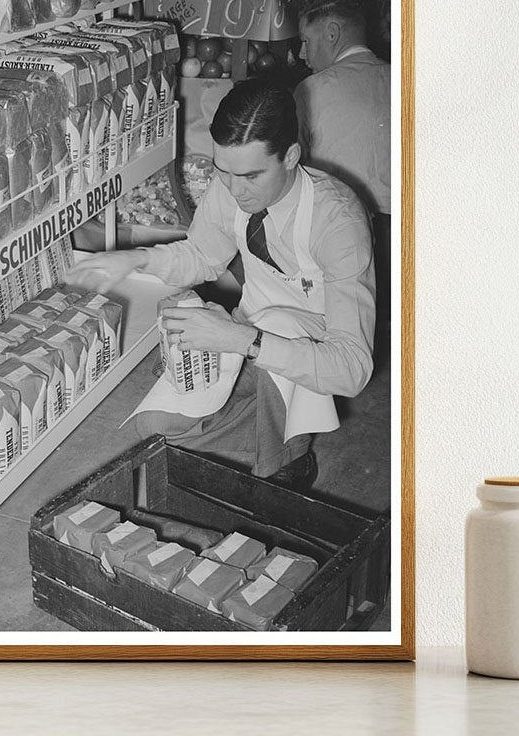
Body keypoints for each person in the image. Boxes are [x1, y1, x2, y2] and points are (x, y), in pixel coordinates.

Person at [66, 80, 375, 489]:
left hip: (304, 355)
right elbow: (201, 256)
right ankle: (265, 430)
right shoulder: (232, 183)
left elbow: (353, 370)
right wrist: (137, 258)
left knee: (281, 325)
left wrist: (242, 340)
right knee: (155, 427)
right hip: (246, 335)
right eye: (223, 172)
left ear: (291, 157)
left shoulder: (338, 223)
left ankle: (284, 466)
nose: (233, 189)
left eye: (249, 176)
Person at [293, 0, 391, 357]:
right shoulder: (406, 76)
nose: (302, 54)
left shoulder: (313, 89)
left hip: (349, 243)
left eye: (306, 40)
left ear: (332, 33)